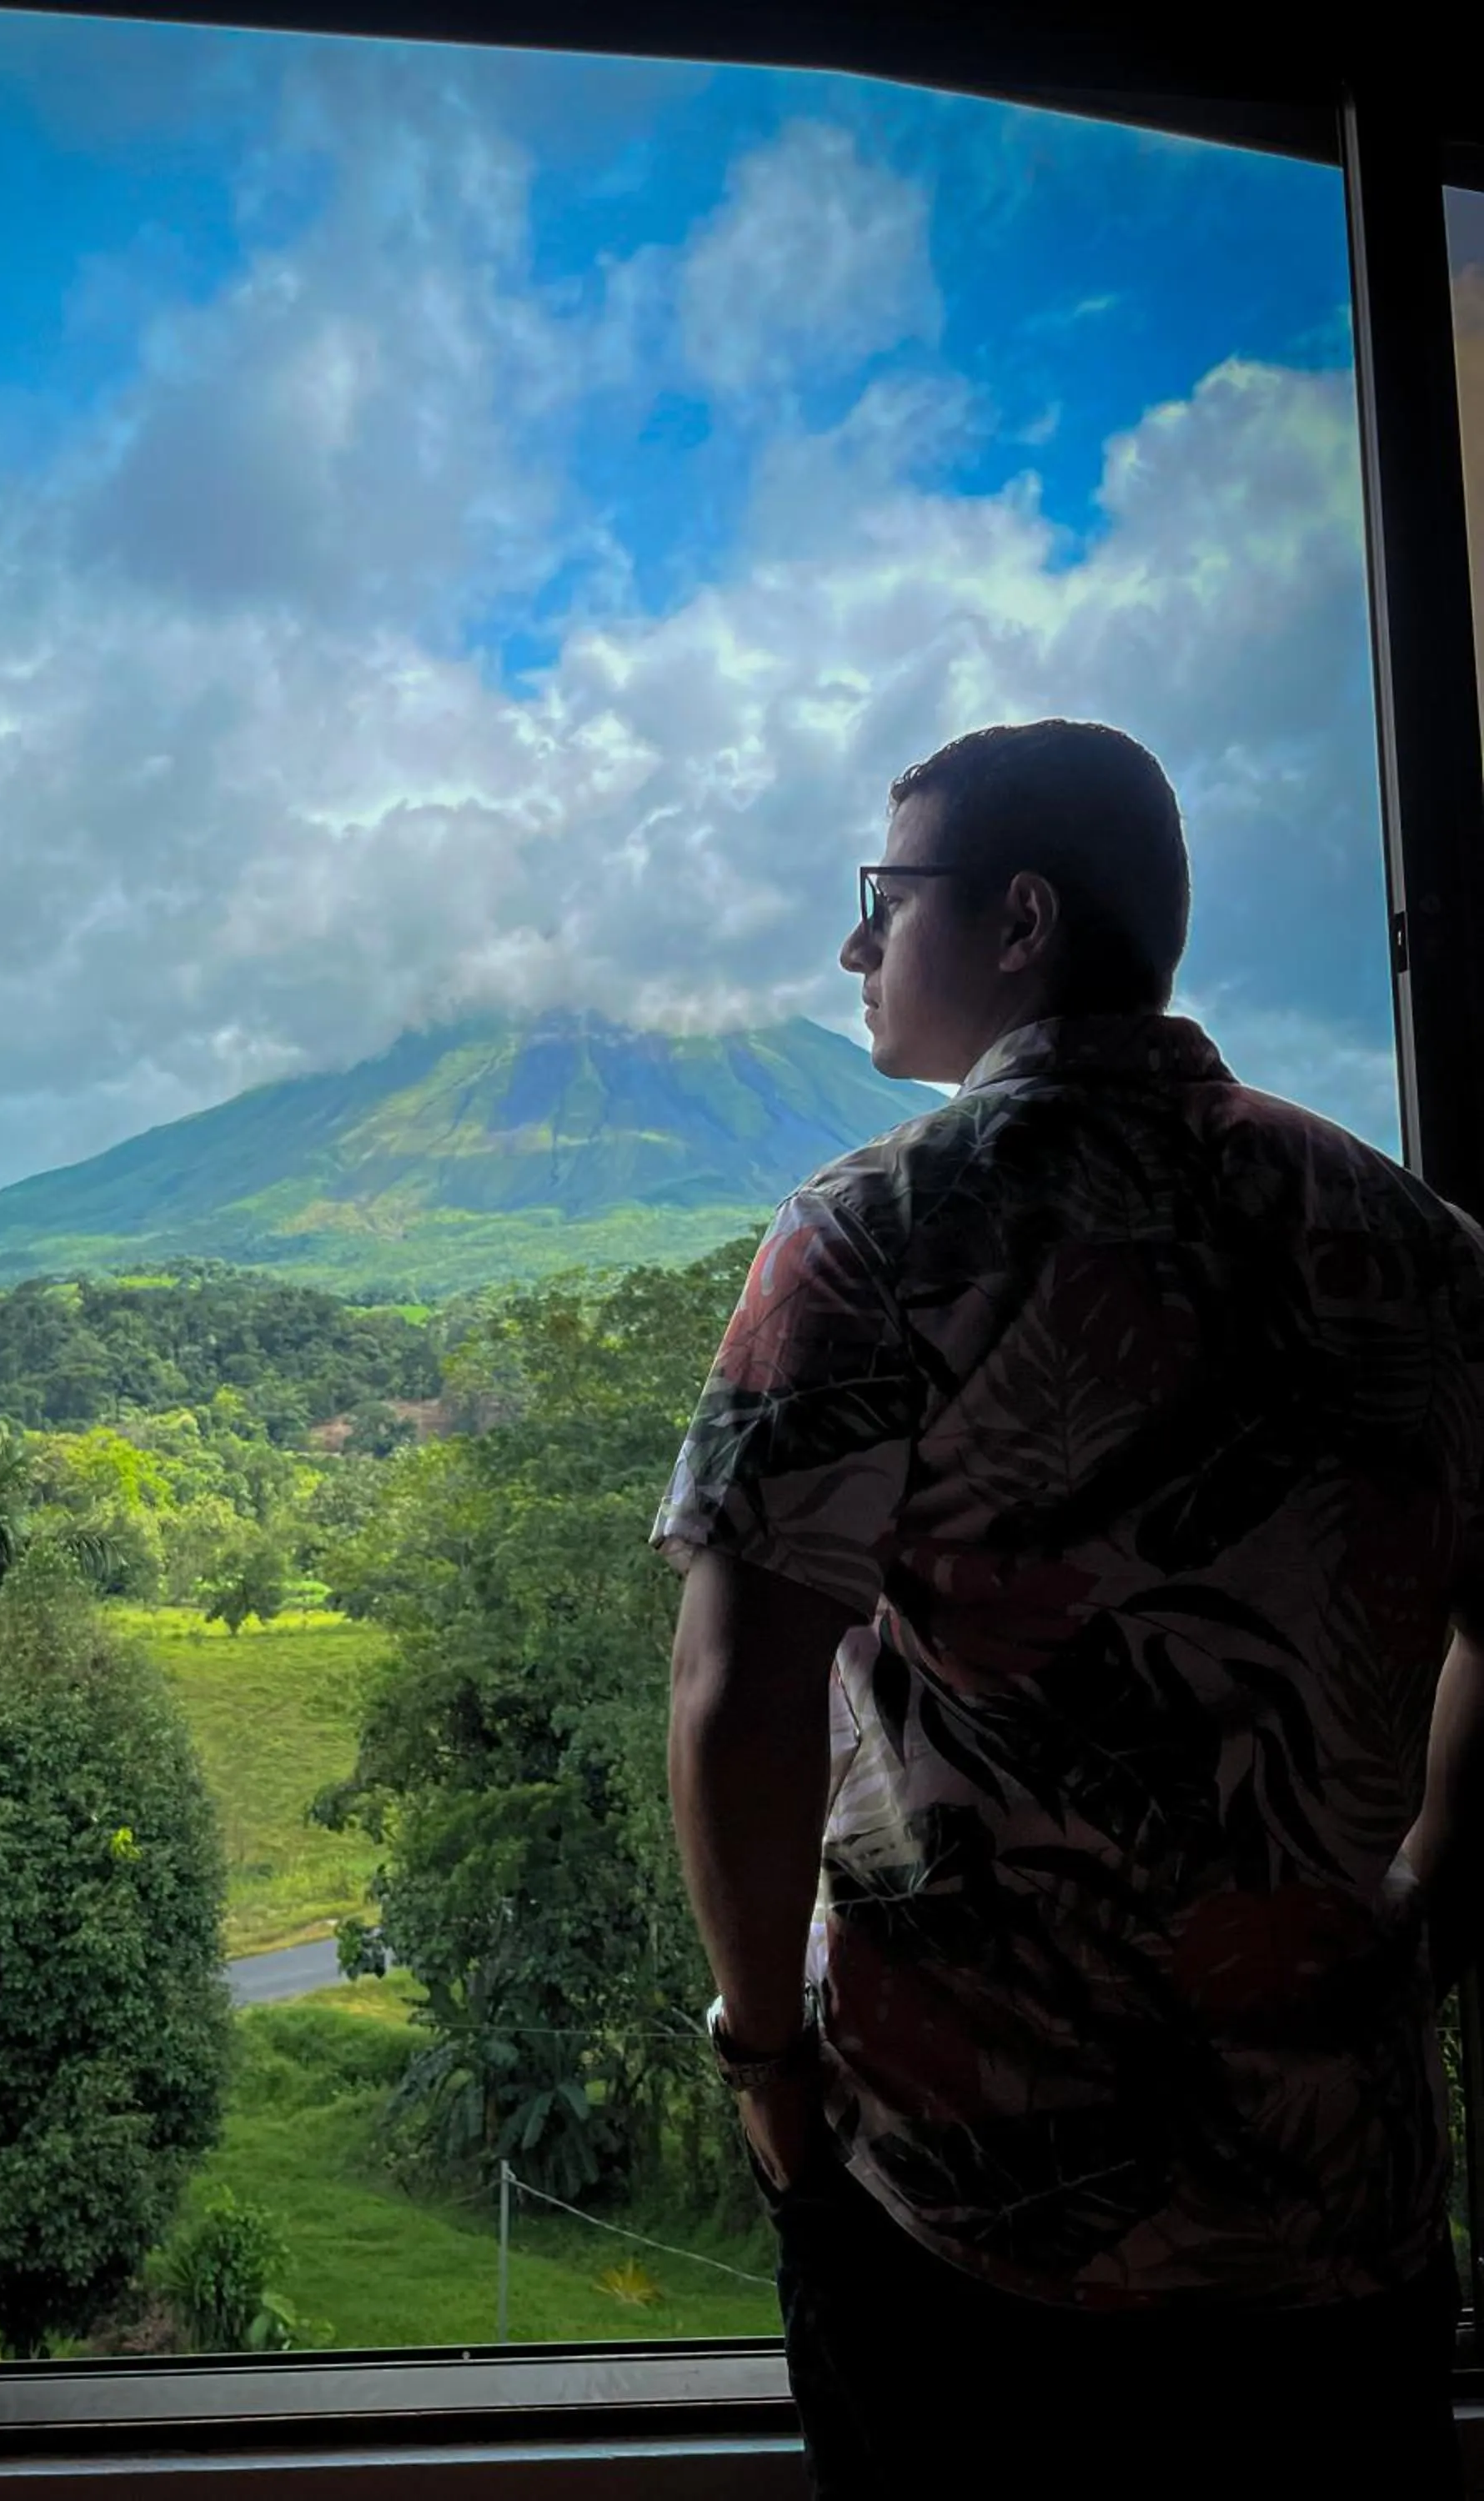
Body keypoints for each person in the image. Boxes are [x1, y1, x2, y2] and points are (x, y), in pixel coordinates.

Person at [654, 719, 1479, 2499]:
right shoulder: (1411, 1240)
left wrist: (765, 2060)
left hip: (979, 2214)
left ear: (1018, 918)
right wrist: (1425, 1894)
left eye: (884, 900)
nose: (852, 949)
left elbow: (740, 1690)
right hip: (1339, 2201)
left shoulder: (874, 1235)